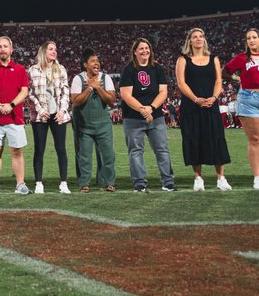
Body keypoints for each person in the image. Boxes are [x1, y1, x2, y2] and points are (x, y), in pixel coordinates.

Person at [223, 28, 259, 190]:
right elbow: (225, 72)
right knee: (255, 139)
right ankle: (257, 177)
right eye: (248, 38)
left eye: (254, 37)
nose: (251, 40)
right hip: (249, 98)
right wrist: (238, 78)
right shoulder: (242, 58)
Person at [176, 28, 231, 192]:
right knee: (194, 139)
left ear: (204, 39)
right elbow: (181, 83)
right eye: (195, 37)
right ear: (190, 41)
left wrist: (213, 98)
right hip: (191, 107)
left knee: (216, 139)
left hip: (211, 105)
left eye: (201, 36)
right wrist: (195, 99)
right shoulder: (183, 59)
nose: (198, 39)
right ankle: (198, 178)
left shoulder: (214, 59)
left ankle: (221, 178)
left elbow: (218, 81)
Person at [119, 38, 174, 192]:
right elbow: (126, 95)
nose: (145, 51)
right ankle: (139, 183)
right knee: (136, 151)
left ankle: (168, 182)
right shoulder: (129, 69)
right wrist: (143, 110)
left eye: (147, 48)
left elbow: (163, 91)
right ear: (135, 52)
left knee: (162, 149)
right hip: (133, 118)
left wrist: (151, 108)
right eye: (141, 49)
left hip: (156, 117)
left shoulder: (157, 68)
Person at [0, 36, 31, 195]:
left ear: (11, 49)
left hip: (15, 118)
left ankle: (20, 184)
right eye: (0, 46)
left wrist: (11, 105)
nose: (2, 49)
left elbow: (24, 91)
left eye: (5, 46)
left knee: (17, 151)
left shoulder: (20, 69)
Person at [70, 47, 116, 192]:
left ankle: (108, 182)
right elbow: (76, 101)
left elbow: (111, 101)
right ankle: (84, 183)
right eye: (93, 61)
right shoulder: (78, 79)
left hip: (103, 124)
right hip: (84, 125)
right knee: (84, 155)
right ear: (85, 65)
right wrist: (90, 88)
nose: (97, 64)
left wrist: (98, 88)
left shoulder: (105, 78)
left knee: (108, 154)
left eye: (98, 61)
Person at [27, 40, 71, 194]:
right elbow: (29, 93)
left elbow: (66, 91)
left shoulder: (61, 69)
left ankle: (63, 183)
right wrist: (39, 109)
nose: (54, 51)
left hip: (58, 114)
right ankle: (39, 183)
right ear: (44, 52)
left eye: (55, 49)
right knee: (39, 149)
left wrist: (63, 110)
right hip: (41, 116)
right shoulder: (33, 70)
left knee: (61, 149)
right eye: (51, 49)